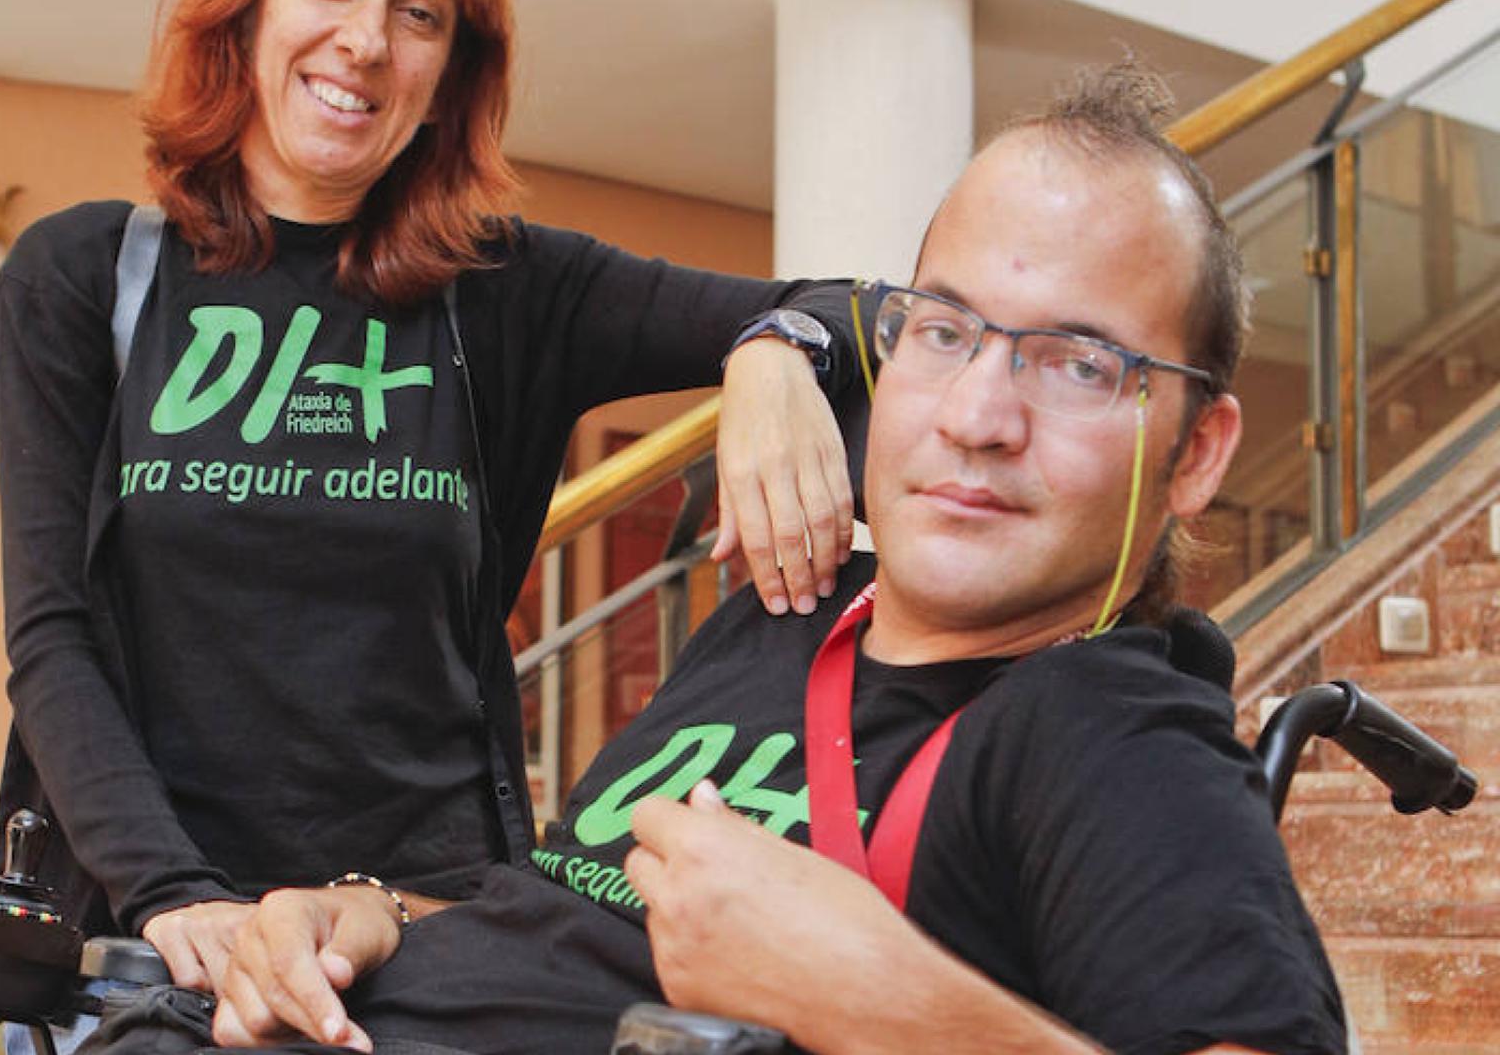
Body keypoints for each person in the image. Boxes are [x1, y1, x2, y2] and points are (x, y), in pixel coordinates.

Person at [100, 63, 1345, 1055]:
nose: (977, 413)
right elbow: (576, 925)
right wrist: (363, 913)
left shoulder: (1102, 726)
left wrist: (875, 999)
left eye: (1079, 362)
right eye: (946, 329)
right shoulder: (785, 612)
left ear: (1194, 454)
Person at [0, 0, 865, 1029]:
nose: (366, 40)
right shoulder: (84, 277)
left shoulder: (505, 291)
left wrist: (774, 350)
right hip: (168, 945)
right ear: (248, 2)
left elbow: (888, 317)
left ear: (449, 71)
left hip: (427, 939)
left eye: (421, 11)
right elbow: (54, 636)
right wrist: (172, 896)